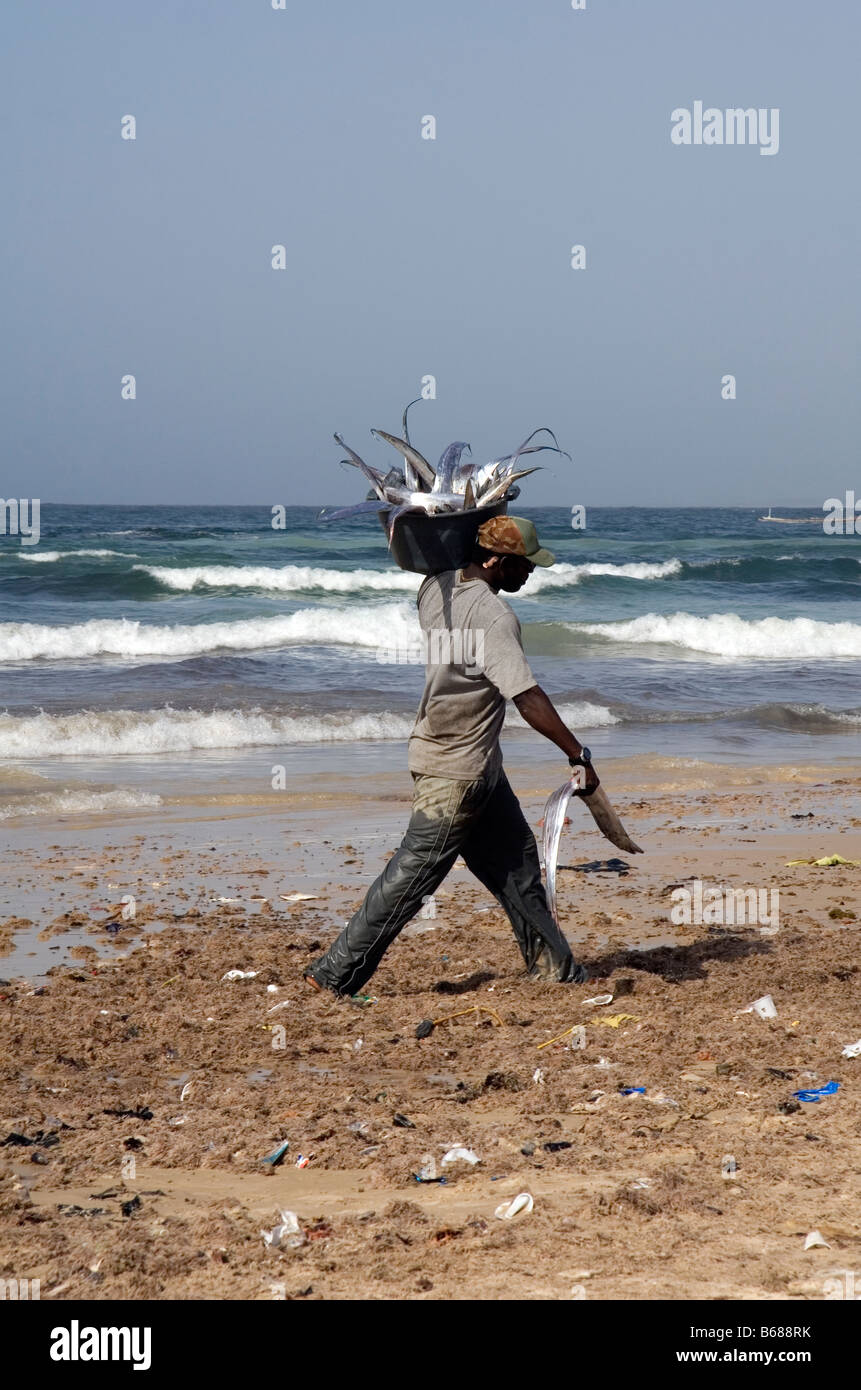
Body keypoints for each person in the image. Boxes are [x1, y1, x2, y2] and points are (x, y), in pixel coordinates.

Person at [304, 514, 600, 997]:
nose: (529, 574)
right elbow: (526, 697)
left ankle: (556, 968)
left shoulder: (434, 589)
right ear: (497, 561)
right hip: (456, 773)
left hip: (470, 764)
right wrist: (577, 753)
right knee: (413, 875)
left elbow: (437, 557)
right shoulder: (493, 618)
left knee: (518, 866)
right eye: (523, 566)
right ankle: (335, 973)